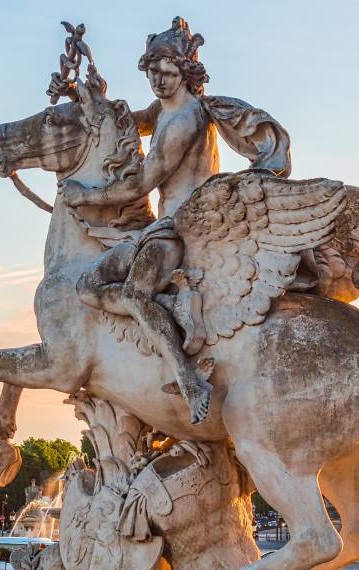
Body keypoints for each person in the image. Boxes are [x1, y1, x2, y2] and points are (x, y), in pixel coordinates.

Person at [50, 17, 218, 424]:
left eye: (168, 72)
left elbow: (142, 182)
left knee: (135, 294)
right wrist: (80, 94)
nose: (159, 81)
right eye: (153, 72)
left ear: (186, 72)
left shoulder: (185, 119)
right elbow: (129, 123)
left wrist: (85, 195)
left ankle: (189, 379)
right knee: (88, 284)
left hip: (181, 229)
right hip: (158, 230)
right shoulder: (164, 108)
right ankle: (170, 307)